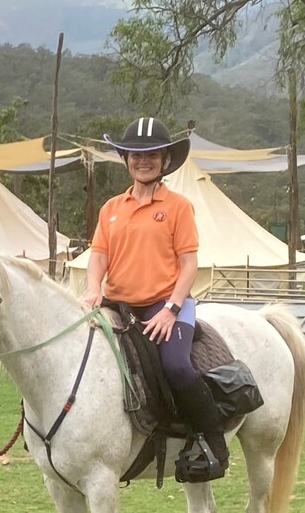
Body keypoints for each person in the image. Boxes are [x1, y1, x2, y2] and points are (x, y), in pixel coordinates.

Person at [83, 118, 229, 482]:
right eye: (135, 155)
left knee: (177, 366)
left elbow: (188, 262)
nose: (142, 161)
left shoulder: (178, 207)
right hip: (117, 305)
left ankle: (213, 440)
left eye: (151, 154)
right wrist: (92, 288)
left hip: (166, 302)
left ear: (165, 160)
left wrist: (171, 309)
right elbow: (98, 256)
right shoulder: (111, 208)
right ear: (126, 159)